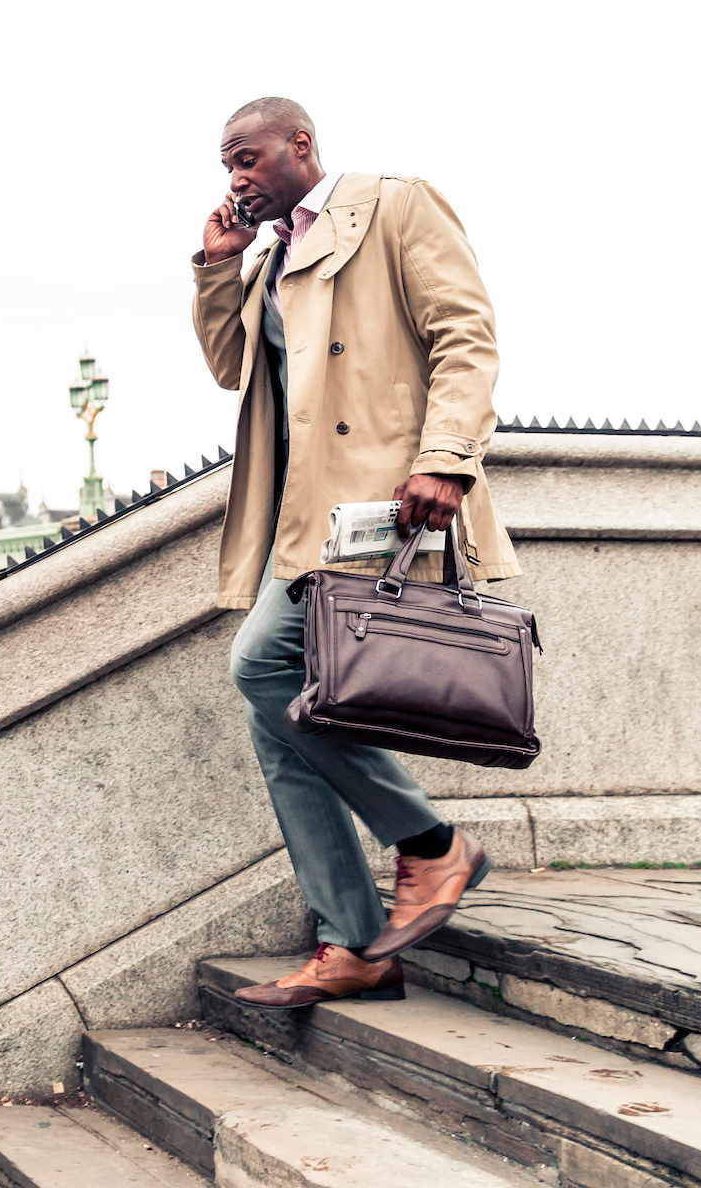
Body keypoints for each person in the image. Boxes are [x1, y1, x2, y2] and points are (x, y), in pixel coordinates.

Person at [190, 97, 520, 1007]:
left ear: (301, 145)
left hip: (386, 503)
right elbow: (233, 367)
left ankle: (429, 845)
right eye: (226, 165)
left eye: (246, 157)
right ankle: (356, 943)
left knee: (262, 671)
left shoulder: (393, 205)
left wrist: (447, 459)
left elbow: (467, 336)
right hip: (307, 521)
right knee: (279, 712)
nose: (235, 177)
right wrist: (219, 267)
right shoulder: (269, 259)